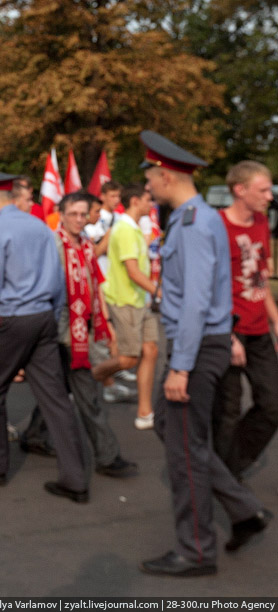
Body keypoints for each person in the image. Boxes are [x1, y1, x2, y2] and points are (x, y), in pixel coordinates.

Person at [136, 131, 271, 577]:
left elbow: (195, 301)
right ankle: (244, 508)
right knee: (177, 435)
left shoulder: (194, 223)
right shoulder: (199, 218)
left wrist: (180, 366)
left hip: (195, 348)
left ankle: (196, 550)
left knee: (185, 454)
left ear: (166, 174)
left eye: (150, 177)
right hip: (205, 343)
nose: (147, 186)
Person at [0, 168, 89, 503]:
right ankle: (75, 477)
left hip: (14, 318)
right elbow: (57, 278)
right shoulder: (39, 225)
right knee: (54, 398)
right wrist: (52, 315)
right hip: (43, 316)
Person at [18, 192, 138, 477]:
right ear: (61, 213)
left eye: (83, 214)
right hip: (58, 330)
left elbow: (95, 285)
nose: (78, 220)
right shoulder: (52, 243)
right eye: (73, 214)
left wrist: (106, 326)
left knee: (62, 390)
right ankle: (106, 457)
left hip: (79, 329)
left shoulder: (86, 245)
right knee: (85, 393)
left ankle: (35, 435)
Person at [212, 161, 278, 478]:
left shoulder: (262, 222)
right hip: (229, 330)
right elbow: (210, 287)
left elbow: (260, 276)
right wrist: (228, 335)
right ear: (240, 190)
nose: (270, 195)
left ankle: (230, 465)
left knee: (272, 404)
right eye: (263, 189)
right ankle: (226, 478)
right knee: (227, 410)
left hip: (259, 330)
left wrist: (276, 318)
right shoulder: (217, 226)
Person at [91, 183, 160, 428]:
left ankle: (144, 412)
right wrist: (159, 291)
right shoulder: (125, 230)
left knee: (151, 351)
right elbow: (132, 271)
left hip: (140, 300)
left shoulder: (132, 228)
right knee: (129, 359)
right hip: (125, 300)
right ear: (135, 202)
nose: (151, 204)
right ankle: (85, 380)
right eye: (147, 200)